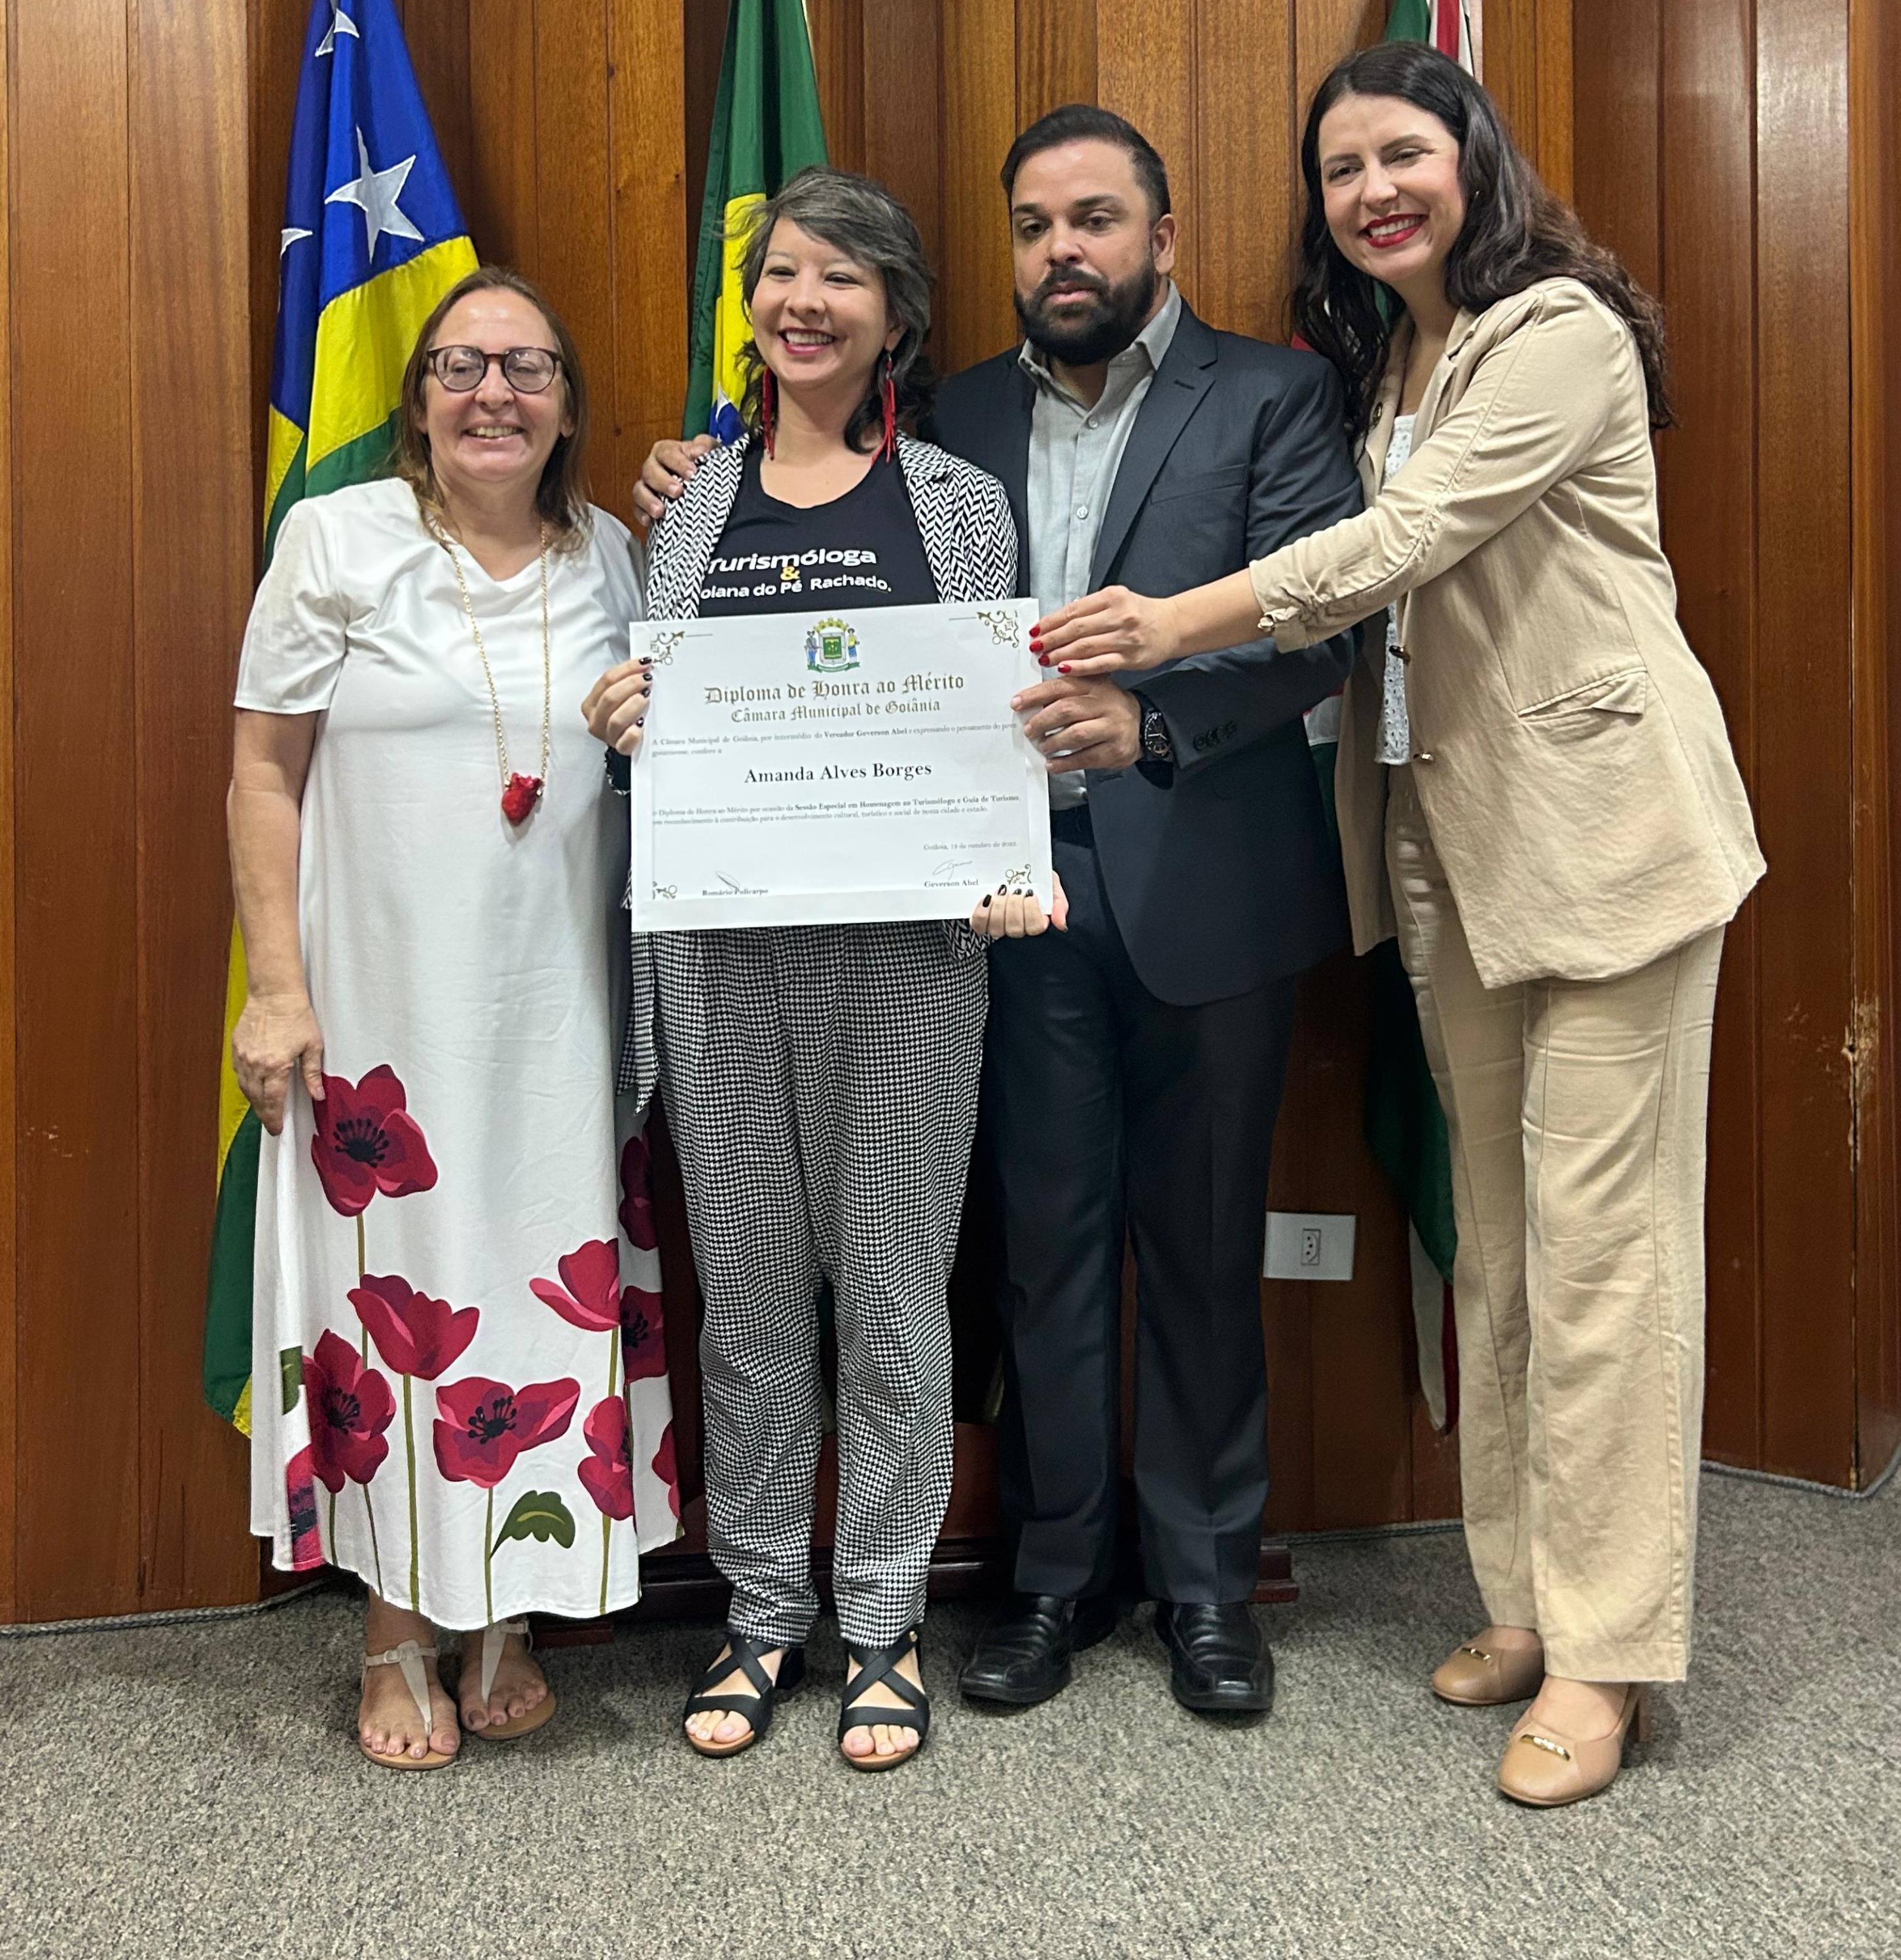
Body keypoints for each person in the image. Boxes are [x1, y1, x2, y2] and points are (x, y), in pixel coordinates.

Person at [1034, 43, 1764, 1806]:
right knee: (1503, 1248)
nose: (1374, 190)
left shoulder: (1561, 330)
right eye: (1343, 167)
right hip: (1448, 847)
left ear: (1472, 160)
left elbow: (1407, 543)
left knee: (1605, 1261)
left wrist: (1168, 624)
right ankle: (1527, 1599)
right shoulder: (1393, 366)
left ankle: (1606, 1656)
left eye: (1403, 154)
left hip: (1608, 841)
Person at [636, 107, 1362, 1722]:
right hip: (996, 902)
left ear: (1161, 235)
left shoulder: (1275, 394)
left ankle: (1205, 1583)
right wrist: (684, 480)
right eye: (1034, 227)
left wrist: (1155, 719)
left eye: (1095, 219)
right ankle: (1050, 1578)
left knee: (1201, 1250)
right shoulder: (953, 419)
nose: (1064, 251)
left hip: (1204, 880)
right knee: (1041, 1254)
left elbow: (1322, 623)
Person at [588, 166, 1023, 1773]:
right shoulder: (691, 502)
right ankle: (764, 1606)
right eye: (781, 272)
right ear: (754, 304)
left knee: (896, 1298)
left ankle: (883, 1617)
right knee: (754, 1299)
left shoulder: (961, 502)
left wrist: (1003, 854)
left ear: (896, 314)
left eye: (842, 275)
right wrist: (628, 720)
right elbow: (666, 726)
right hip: (719, 955)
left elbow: (991, 726)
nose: (805, 300)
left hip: (908, 964)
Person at [228, 266, 676, 1772]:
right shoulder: (338, 539)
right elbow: (263, 773)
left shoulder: (615, 555)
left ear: (568, 405)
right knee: (398, 1296)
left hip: (561, 1010)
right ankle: (395, 1624)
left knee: (536, 1286)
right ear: (418, 401)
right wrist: (276, 989)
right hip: (384, 1026)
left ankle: (510, 1612)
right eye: (462, 366)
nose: (495, 392)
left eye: (529, 367)